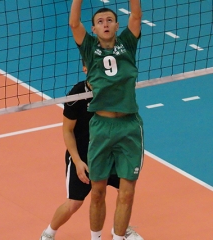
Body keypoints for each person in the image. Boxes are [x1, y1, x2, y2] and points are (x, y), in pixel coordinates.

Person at [39, 64, 143, 240]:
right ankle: (49, 232)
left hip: (110, 151)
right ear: (85, 69)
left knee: (125, 192)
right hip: (83, 155)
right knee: (74, 202)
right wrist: (77, 161)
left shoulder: (112, 88)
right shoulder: (77, 94)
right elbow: (67, 131)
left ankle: (120, 230)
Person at [69, 1, 144, 240]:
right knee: (98, 191)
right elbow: (73, 23)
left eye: (110, 20)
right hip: (101, 127)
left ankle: (119, 237)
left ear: (117, 24)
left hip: (129, 126)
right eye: (100, 22)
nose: (105, 24)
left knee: (127, 192)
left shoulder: (127, 44)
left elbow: (136, 16)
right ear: (94, 29)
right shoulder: (89, 48)